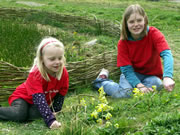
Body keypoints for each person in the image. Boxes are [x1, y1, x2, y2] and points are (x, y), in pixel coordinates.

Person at [93, 4, 175, 98]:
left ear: (145, 20)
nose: (136, 24)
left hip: (150, 75)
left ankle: (137, 88)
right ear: (126, 24)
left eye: (139, 20)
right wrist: (140, 86)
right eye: (131, 22)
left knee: (158, 85)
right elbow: (126, 70)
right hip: (131, 74)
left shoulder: (154, 34)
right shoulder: (123, 43)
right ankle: (101, 81)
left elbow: (166, 54)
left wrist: (167, 77)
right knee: (125, 94)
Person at [0, 37, 69, 129]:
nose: (57, 62)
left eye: (60, 58)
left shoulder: (63, 73)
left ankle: (23, 113)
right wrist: (50, 120)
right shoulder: (36, 74)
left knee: (40, 114)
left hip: (38, 103)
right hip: (22, 97)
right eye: (52, 59)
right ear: (42, 59)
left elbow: (61, 94)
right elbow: (39, 99)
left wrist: (55, 111)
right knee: (19, 114)